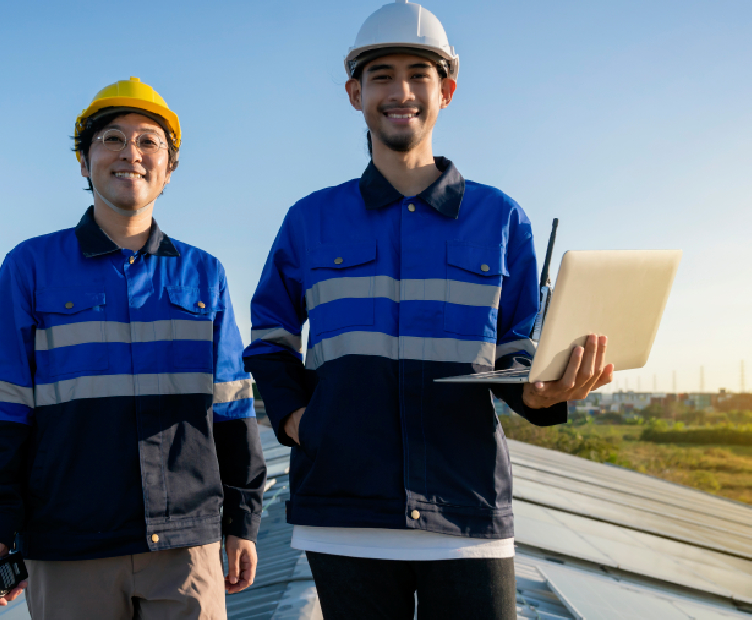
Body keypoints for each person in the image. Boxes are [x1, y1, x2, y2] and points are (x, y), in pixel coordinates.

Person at [243, 3, 613, 619]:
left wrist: (546, 394)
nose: (402, 92)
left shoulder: (500, 219)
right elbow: (269, 335)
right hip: (344, 509)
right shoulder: (311, 219)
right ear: (354, 93)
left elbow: (520, 351)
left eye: (420, 73)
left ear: (447, 89)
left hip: (466, 506)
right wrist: (299, 423)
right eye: (382, 75)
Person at [0, 76, 266, 619]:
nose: (132, 154)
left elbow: (232, 407)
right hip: (70, 546)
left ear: (169, 170)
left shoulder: (204, 275)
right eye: (112, 139)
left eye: (150, 141)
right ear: (84, 161)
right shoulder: (30, 267)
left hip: (185, 550)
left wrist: (242, 521)